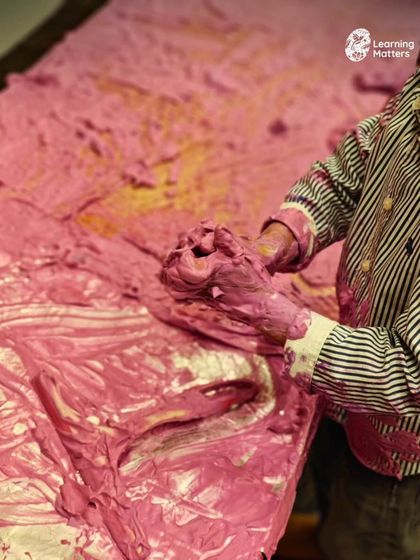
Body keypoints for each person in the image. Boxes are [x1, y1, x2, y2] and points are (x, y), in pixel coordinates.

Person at [162, 64, 420, 560]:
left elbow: (409, 375)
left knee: (358, 543)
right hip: (340, 382)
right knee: (320, 474)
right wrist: (269, 247)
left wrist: (267, 308)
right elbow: (360, 166)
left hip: (400, 451)